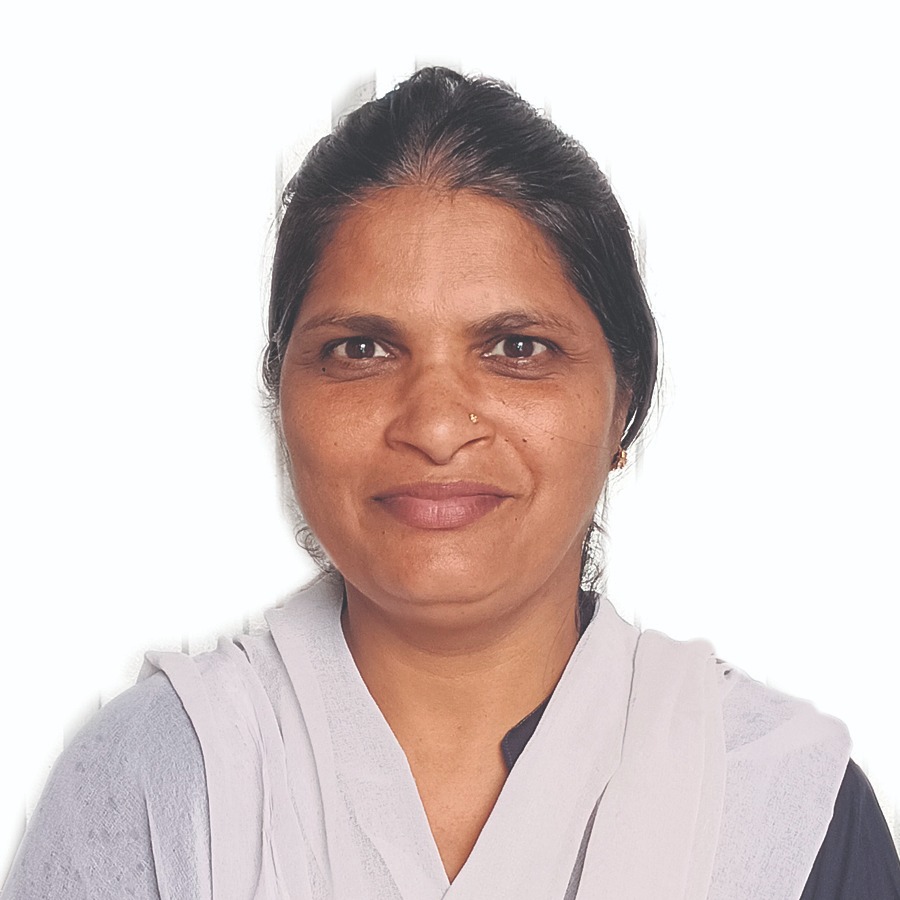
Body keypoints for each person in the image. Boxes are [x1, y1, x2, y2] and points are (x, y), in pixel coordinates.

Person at [2, 67, 898, 900]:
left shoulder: (786, 811)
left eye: (517, 347)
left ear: (622, 404)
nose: (434, 427)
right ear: (283, 395)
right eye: (361, 348)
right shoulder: (154, 780)